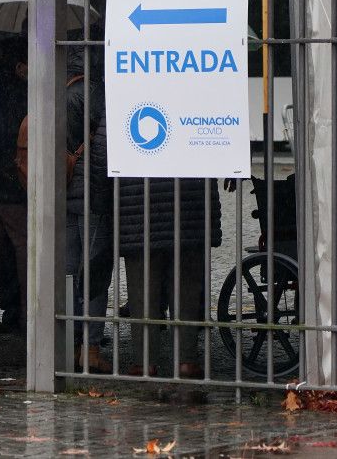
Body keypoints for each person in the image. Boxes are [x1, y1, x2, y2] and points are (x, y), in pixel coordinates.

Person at [117, 175, 221, 378]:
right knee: (187, 290)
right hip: (190, 205)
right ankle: (186, 360)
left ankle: (144, 362)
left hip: (139, 207)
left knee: (141, 291)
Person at [65, 48, 114, 373]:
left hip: (61, 190)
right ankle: (90, 347)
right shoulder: (93, 92)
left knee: (67, 271)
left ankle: (66, 342)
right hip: (91, 193)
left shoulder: (56, 90)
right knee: (94, 271)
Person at [0, 36, 28, 335]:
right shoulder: (26, 94)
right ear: (21, 66)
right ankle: (27, 317)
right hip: (15, 185)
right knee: (26, 254)